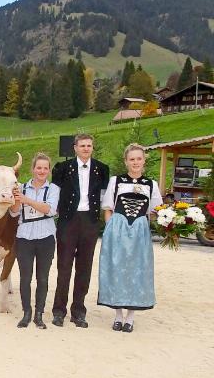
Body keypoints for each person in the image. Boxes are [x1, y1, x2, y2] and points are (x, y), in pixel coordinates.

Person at [98, 144, 162, 333]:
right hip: (118, 228)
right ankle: (118, 315)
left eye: (139, 159)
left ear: (144, 161)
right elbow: (108, 208)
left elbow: (156, 211)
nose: (135, 162)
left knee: (137, 271)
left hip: (139, 231)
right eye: (132, 159)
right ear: (126, 161)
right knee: (117, 268)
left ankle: (131, 317)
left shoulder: (151, 184)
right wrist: (110, 229)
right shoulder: (116, 181)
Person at [51, 133, 109, 328]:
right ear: (74, 148)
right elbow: (55, 194)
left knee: (84, 268)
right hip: (68, 220)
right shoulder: (62, 168)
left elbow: (104, 197)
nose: (86, 148)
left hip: (90, 221)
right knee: (64, 267)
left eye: (89, 145)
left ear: (92, 148)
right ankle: (59, 311)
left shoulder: (102, 169)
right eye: (82, 145)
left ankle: (78, 312)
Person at [11, 153, 60, 330]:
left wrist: (27, 200)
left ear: (49, 170)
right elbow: (14, 212)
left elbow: (49, 210)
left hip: (46, 237)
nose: (42, 171)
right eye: (38, 168)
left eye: (45, 168)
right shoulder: (21, 187)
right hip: (24, 237)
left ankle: (39, 314)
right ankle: (26, 313)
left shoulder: (53, 189)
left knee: (43, 278)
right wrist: (16, 200)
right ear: (33, 169)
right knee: (25, 277)